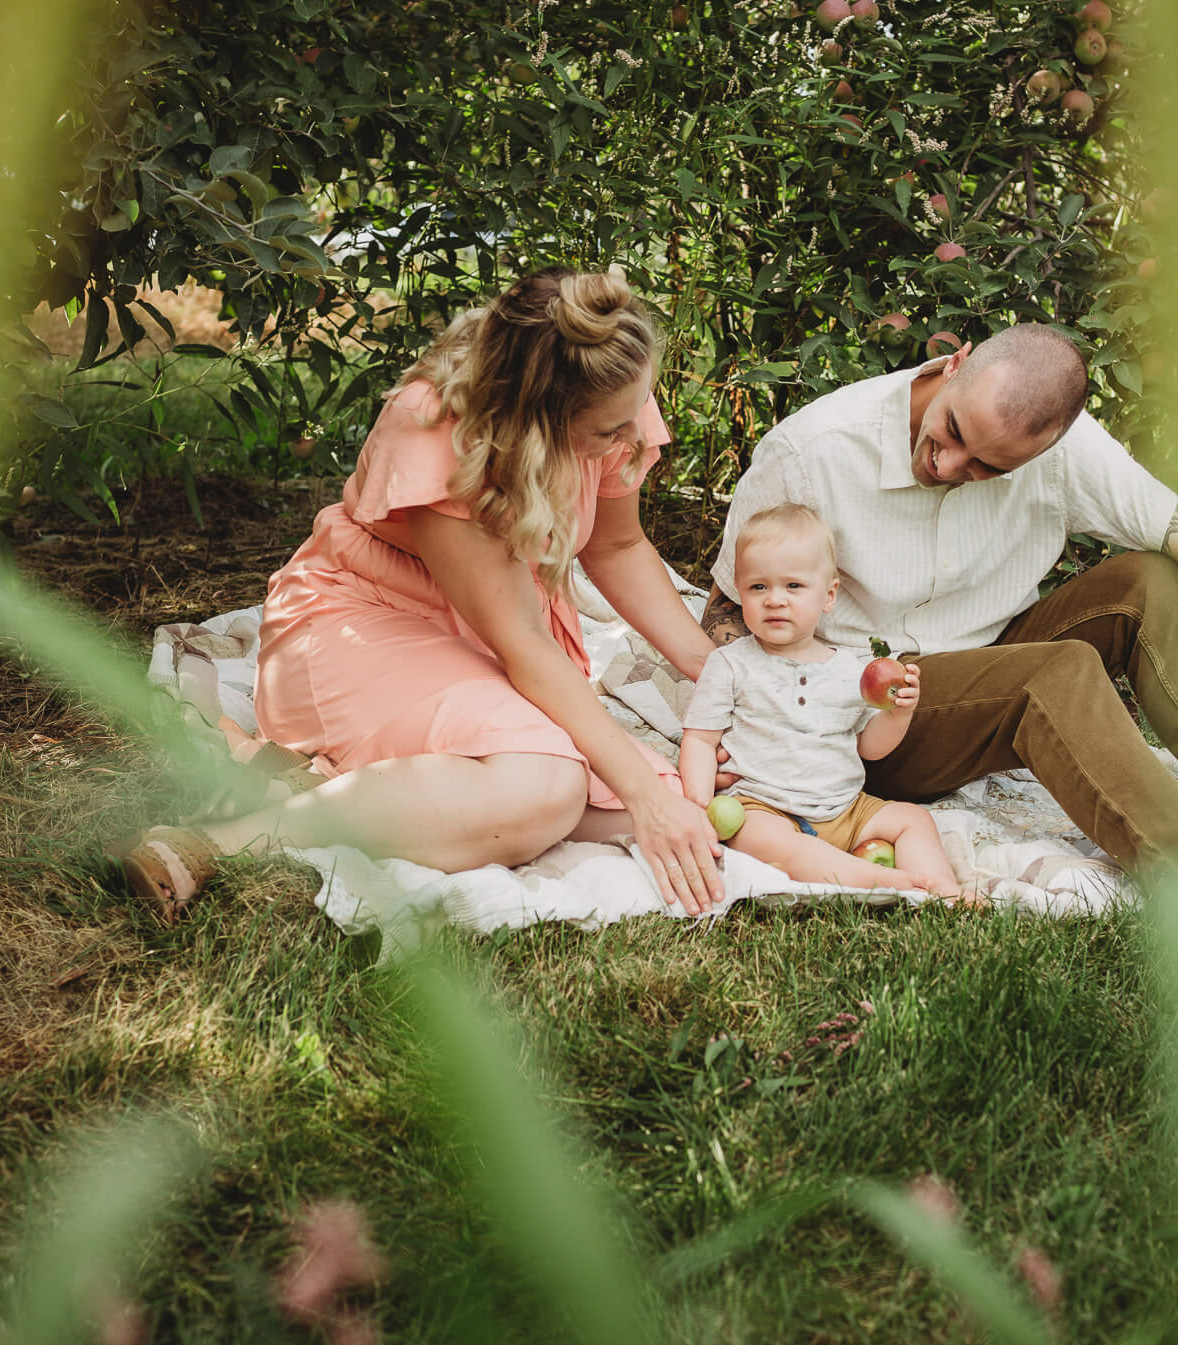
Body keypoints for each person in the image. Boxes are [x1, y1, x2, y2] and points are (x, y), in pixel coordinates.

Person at [699, 323, 1178, 990]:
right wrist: (759, 729)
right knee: (1056, 670)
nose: (950, 463)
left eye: (989, 467)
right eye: (954, 431)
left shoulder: (1067, 450)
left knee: (1152, 580)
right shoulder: (811, 448)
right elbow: (730, 605)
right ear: (955, 362)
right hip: (871, 715)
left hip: (988, 663)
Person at [122, 267, 727, 916]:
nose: (634, 438)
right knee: (553, 787)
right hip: (356, 627)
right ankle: (233, 839)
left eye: (639, 410)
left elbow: (617, 546)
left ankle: (349, 793)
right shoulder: (438, 427)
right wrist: (640, 793)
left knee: (663, 793)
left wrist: (719, 673)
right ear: (537, 418)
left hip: (490, 640)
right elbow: (522, 640)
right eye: (610, 431)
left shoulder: (611, 385)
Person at [678, 503, 965, 899]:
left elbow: (870, 747)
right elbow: (699, 740)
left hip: (845, 809)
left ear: (828, 596)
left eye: (793, 586)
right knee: (768, 841)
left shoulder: (851, 671)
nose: (775, 599)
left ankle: (944, 889)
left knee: (912, 819)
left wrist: (898, 713)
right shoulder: (729, 663)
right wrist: (696, 804)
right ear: (740, 591)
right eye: (758, 587)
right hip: (765, 806)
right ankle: (880, 881)